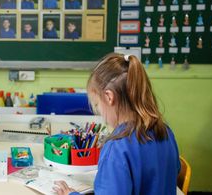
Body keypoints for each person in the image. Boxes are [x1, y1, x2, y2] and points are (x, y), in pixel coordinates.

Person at [53, 53, 180, 195]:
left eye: (96, 104)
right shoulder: (165, 131)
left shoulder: (117, 148)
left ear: (109, 97)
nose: (99, 112)